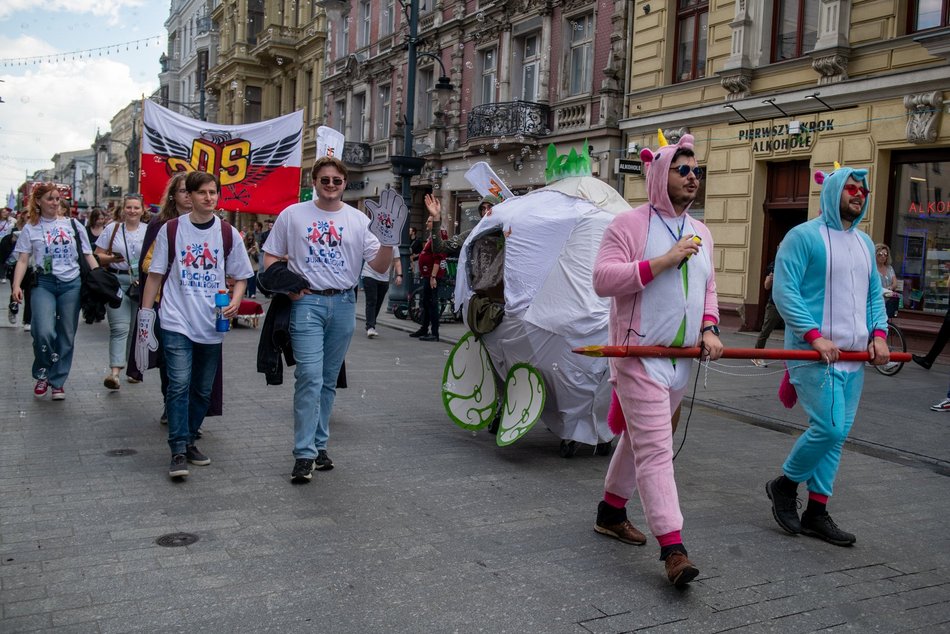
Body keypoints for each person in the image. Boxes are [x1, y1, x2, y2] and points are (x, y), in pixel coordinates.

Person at [591, 134, 721, 587]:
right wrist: (663, 261)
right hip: (637, 355)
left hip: (681, 360)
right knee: (656, 450)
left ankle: (610, 511)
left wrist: (710, 328)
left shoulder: (702, 231)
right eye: (683, 169)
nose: (692, 177)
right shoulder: (629, 224)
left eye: (697, 171)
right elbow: (603, 280)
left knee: (639, 442)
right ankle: (674, 549)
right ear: (661, 174)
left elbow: (708, 290)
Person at [766, 166, 889, 547]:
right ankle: (785, 485)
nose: (858, 194)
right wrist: (814, 337)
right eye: (850, 188)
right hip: (813, 356)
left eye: (862, 190)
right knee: (830, 428)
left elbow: (873, 296)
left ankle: (817, 511)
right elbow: (786, 293)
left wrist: (880, 335)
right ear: (833, 191)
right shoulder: (802, 237)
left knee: (837, 437)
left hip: (855, 359)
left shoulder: (866, 244)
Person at [262, 156, 399, 484]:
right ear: (315, 182)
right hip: (307, 303)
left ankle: (319, 446)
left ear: (344, 182)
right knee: (308, 376)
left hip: (344, 304)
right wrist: (290, 287)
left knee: (326, 380)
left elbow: (379, 266)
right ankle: (304, 453)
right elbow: (269, 258)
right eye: (325, 180)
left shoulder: (357, 220)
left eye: (337, 181)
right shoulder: (293, 215)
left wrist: (390, 237)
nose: (331, 186)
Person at [136, 171, 253, 479]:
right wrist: (146, 316)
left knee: (202, 389)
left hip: (212, 322)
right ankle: (177, 449)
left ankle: (188, 439)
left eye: (213, 192)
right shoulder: (172, 230)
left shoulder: (227, 233)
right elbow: (156, 275)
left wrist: (237, 300)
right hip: (176, 318)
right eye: (202, 192)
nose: (208, 198)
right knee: (179, 383)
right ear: (189, 195)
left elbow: (242, 276)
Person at [11, 183, 101, 400]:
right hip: (44, 283)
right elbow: (23, 260)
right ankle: (42, 372)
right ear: (39, 201)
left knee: (66, 334)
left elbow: (88, 255)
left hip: (72, 284)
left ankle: (57, 381)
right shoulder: (30, 228)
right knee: (42, 331)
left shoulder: (73, 225)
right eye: (49, 198)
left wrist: (100, 279)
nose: (54, 202)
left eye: (57, 199)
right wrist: (15, 286)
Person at [127, 173, 191, 425]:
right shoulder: (160, 223)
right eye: (184, 190)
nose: (189, 195)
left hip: (196, 302)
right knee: (170, 357)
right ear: (173, 195)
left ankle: (189, 408)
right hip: (166, 302)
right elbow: (146, 264)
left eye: (192, 190)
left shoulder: (209, 224)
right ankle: (171, 403)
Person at [95, 194, 148, 390]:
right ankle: (115, 372)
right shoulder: (112, 229)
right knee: (119, 328)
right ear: (123, 209)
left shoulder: (148, 230)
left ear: (142, 210)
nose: (132, 211)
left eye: (136, 207)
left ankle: (133, 369)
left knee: (135, 329)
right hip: (116, 280)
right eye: (129, 207)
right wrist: (110, 259)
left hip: (141, 282)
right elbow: (97, 255)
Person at [410, 220, 447, 342]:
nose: (426, 223)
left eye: (429, 221)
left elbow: (438, 258)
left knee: (432, 303)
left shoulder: (439, 236)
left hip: (433, 276)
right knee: (426, 302)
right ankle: (424, 328)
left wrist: (433, 277)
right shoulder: (433, 236)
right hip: (428, 275)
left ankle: (434, 333)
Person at [361, 228, 402, 338]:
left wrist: (399, 275)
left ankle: (371, 324)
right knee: (372, 300)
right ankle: (370, 327)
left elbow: (397, 260)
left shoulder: (393, 243)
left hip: (384, 277)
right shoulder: (372, 239)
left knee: (378, 302)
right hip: (369, 274)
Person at [424, 194, 494, 258]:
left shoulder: (504, 232)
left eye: (490, 207)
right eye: (483, 209)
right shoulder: (472, 234)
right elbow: (439, 248)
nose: (485, 212)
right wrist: (436, 217)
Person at [751, 261, 783, 367]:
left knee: (794, 332)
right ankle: (757, 355)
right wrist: (770, 278)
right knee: (766, 331)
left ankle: (794, 358)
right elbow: (766, 286)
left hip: (790, 304)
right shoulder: (774, 266)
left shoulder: (796, 262)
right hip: (774, 304)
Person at [875, 243, 900, 318]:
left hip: (888, 301)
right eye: (880, 254)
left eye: (885, 254)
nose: (883, 256)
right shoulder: (872, 269)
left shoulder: (889, 268)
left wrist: (890, 288)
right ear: (875, 255)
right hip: (877, 300)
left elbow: (895, 283)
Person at [243, 232, 259, 298]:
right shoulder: (243, 243)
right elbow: (242, 254)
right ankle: (245, 292)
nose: (250, 238)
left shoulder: (255, 244)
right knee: (246, 279)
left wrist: (254, 252)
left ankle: (252, 293)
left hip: (253, 264)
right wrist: (248, 251)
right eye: (249, 237)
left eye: (251, 237)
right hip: (246, 264)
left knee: (253, 279)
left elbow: (258, 253)